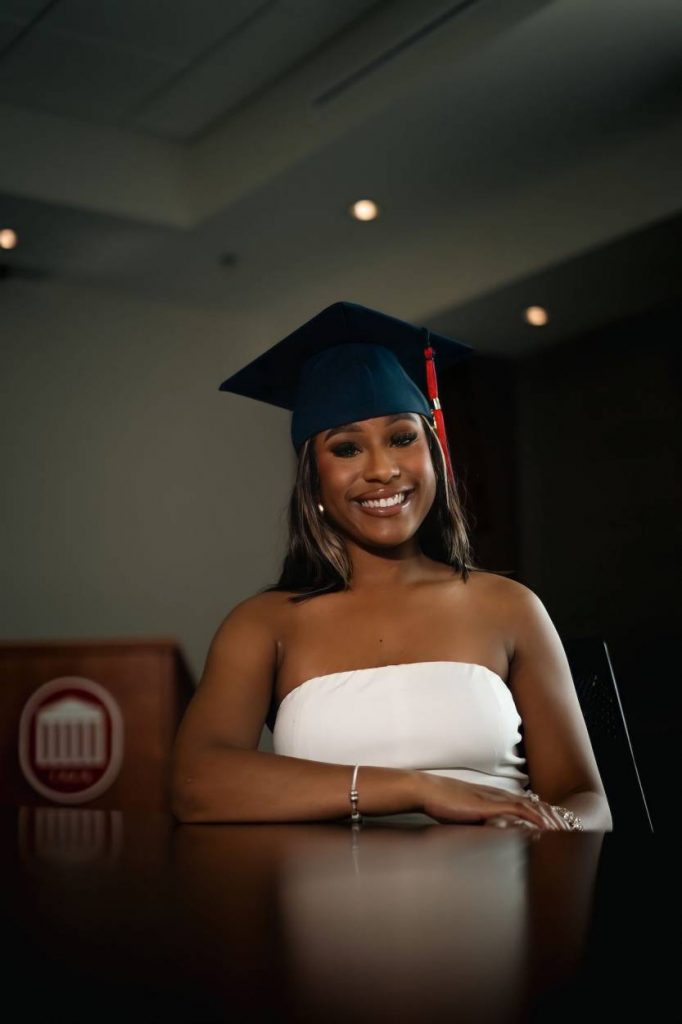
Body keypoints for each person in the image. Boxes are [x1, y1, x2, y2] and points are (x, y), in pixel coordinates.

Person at [171, 302, 613, 831]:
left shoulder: (509, 606)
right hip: (332, 905)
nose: (382, 469)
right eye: (347, 448)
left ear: (434, 455)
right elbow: (195, 785)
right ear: (312, 481)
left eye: (403, 438)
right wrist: (417, 788)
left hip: (496, 891)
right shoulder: (265, 624)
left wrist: (541, 826)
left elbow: (587, 800)